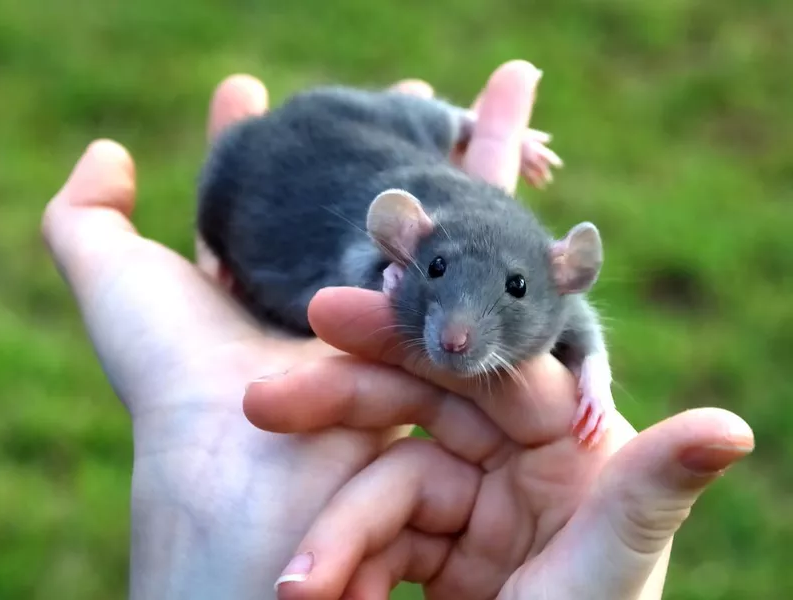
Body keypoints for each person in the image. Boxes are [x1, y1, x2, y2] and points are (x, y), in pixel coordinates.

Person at [41, 60, 754, 600]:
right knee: (269, 152)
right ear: (406, 246)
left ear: (562, 272)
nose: (456, 336)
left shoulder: (545, 282)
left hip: (387, 179)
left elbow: (573, 320)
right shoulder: (388, 249)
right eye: (433, 274)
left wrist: (592, 374)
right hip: (296, 168)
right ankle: (458, 121)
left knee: (391, 135)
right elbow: (367, 262)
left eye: (512, 291)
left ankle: (458, 126)